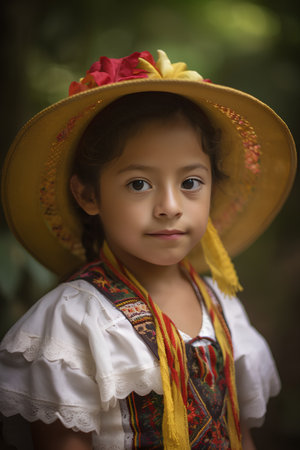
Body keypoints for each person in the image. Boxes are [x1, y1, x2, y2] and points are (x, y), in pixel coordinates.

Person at [0, 50, 296, 450]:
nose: (170, 206)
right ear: (88, 194)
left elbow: (241, 435)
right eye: (139, 184)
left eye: (191, 182)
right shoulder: (72, 322)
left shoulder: (224, 307)